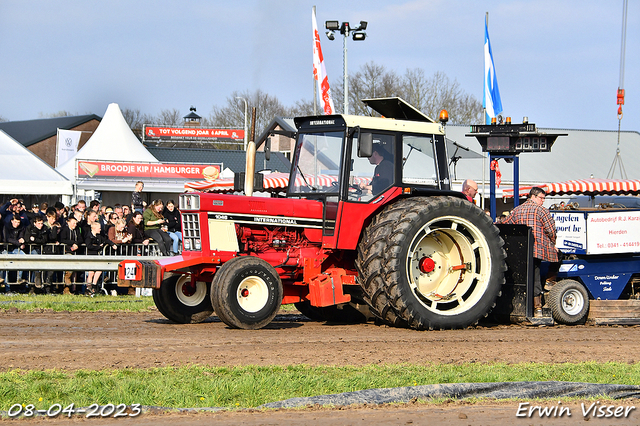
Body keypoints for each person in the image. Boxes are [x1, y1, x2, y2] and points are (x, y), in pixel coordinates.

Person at [501, 187, 558, 317]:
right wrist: (553, 243)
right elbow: (551, 230)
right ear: (533, 196)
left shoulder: (517, 210)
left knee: (521, 277)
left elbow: (505, 224)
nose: (543, 201)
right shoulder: (542, 210)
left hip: (519, 251)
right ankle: (538, 306)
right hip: (536, 249)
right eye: (541, 198)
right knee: (535, 277)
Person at [85, 222, 117, 295]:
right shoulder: (88, 236)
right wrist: (99, 247)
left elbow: (106, 240)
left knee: (99, 270)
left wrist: (112, 244)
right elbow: (89, 246)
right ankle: (88, 287)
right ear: (94, 228)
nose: (100, 229)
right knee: (91, 272)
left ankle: (94, 285)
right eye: (99, 228)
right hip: (91, 256)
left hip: (97, 256)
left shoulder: (99, 236)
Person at [1, 214, 28, 292]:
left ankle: (19, 279)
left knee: (24, 258)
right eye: (15, 222)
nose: (17, 224)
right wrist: (18, 243)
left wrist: (22, 240)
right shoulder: (6, 227)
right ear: (12, 221)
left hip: (16, 249)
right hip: (7, 249)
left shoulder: (21, 227)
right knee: (6, 267)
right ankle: (7, 287)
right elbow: (7, 239)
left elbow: (21, 235)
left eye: (18, 222)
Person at [59, 216, 82, 294]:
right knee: (69, 267)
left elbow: (80, 239)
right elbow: (63, 239)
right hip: (67, 251)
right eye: (73, 223)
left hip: (75, 251)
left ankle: (71, 289)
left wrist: (76, 244)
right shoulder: (64, 230)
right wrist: (72, 243)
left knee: (75, 271)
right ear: (68, 223)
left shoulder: (76, 230)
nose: (75, 225)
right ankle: (66, 283)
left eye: (75, 223)